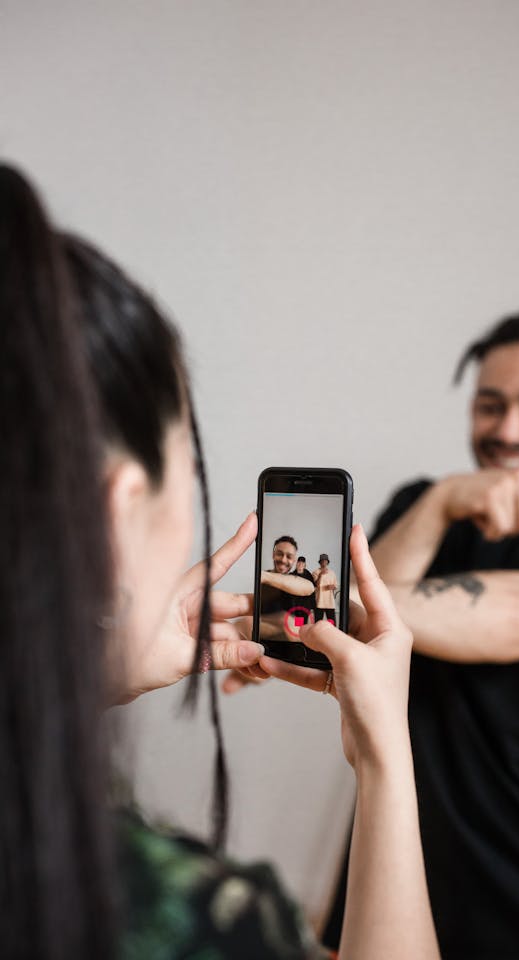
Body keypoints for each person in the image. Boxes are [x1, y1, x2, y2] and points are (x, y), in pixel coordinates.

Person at [0, 163, 438, 960]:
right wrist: (384, 754)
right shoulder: (181, 913)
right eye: (188, 467)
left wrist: (94, 673)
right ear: (113, 509)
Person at [324, 312, 519, 959]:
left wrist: (312, 616)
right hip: (391, 886)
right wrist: (441, 502)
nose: (508, 430)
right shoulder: (422, 506)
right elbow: (351, 628)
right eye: (490, 406)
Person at [313, 553, 338, 624]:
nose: (324, 562)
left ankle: (332, 635)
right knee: (317, 624)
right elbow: (316, 585)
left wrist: (332, 587)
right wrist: (320, 575)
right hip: (319, 602)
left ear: (327, 562)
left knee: (332, 624)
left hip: (330, 603)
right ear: (320, 562)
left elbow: (335, 585)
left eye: (325, 561)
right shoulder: (315, 572)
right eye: (322, 561)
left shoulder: (332, 573)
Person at [292, 556, 316, 623]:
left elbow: (312, 590)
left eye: (302, 563)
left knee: (304, 624)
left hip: (306, 603)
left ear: (305, 565)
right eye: (299, 563)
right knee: (298, 624)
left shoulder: (309, 575)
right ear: (296, 564)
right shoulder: (292, 575)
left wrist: (313, 605)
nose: (300, 565)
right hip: (296, 604)